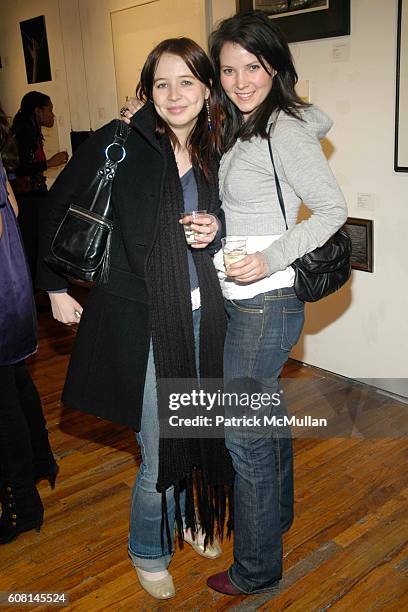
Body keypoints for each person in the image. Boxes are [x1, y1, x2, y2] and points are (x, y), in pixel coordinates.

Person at [36, 38, 234, 600]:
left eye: (187, 82)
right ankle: (148, 546)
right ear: (147, 89)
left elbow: (231, 213)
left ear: (206, 89)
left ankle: (189, 516)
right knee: (161, 444)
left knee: (199, 431)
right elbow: (57, 206)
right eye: (162, 83)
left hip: (207, 317)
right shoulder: (121, 141)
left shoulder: (218, 147)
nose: (174, 95)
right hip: (142, 320)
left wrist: (216, 228)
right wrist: (53, 286)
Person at [202, 11, 348, 595]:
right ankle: (276, 519)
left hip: (266, 300)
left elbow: (332, 210)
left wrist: (270, 258)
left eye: (253, 68)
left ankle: (257, 567)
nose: (240, 81)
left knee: (242, 431)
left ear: (275, 66)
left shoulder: (281, 127)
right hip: (250, 297)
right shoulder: (248, 124)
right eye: (229, 70)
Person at [0, 103, 58, 545]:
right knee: (15, 383)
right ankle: (41, 463)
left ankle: (22, 503)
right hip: (12, 289)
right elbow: (13, 211)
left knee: (3, 405)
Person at [10, 92, 68, 280]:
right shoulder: (23, 132)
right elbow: (20, 168)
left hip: (35, 195)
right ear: (37, 110)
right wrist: (50, 162)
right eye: (49, 110)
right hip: (27, 198)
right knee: (33, 242)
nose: (52, 114)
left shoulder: (30, 129)